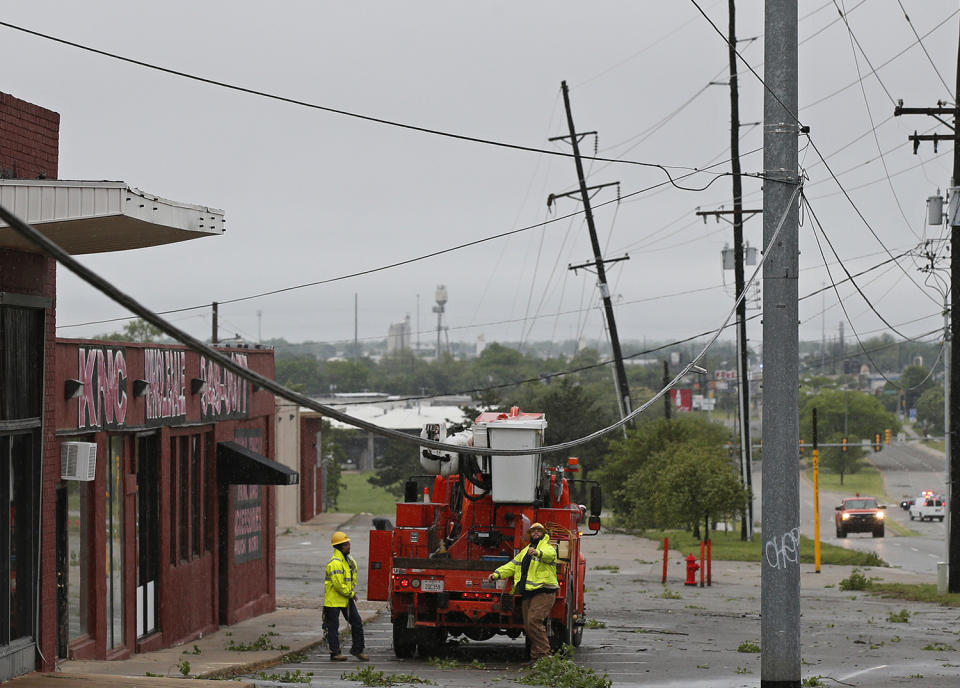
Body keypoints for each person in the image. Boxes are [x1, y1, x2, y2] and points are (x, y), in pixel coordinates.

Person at [488, 522, 558, 663]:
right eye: (533, 531)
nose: (536, 533)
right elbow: (512, 566)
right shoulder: (526, 550)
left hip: (544, 591)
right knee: (529, 626)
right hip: (528, 593)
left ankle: (545, 658)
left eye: (538, 531)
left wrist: (538, 553)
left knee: (534, 622)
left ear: (543, 534)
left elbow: (550, 555)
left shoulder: (548, 547)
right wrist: (497, 574)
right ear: (530, 534)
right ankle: (535, 659)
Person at [324, 531, 368, 661]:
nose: (349, 545)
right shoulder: (335, 563)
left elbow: (351, 577)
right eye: (347, 544)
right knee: (333, 628)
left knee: (357, 623)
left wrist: (350, 592)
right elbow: (338, 585)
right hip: (333, 601)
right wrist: (351, 594)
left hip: (345, 599)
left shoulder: (347, 561)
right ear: (340, 546)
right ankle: (335, 653)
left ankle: (357, 650)